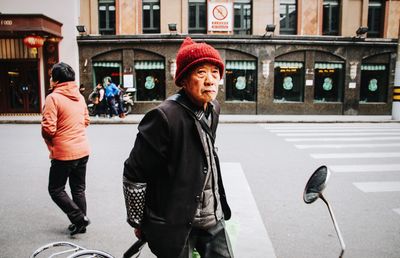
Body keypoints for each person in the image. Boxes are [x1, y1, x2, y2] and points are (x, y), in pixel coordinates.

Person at [123, 37, 233, 258]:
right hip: (176, 222)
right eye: (201, 72)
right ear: (183, 79)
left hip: (212, 215)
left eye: (215, 72)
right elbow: (135, 172)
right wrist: (139, 220)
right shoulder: (163, 117)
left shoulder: (213, 108)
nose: (210, 80)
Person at [41, 62, 91, 236]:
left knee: (55, 189)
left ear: (56, 80)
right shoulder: (79, 96)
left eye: (51, 76)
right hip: (83, 150)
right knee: (78, 189)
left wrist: (53, 141)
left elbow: (48, 129)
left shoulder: (53, 98)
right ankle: (81, 222)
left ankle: (78, 218)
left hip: (64, 153)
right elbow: (86, 121)